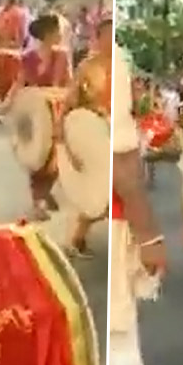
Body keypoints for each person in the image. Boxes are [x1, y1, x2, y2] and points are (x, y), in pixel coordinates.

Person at [107, 42, 166, 365]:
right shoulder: (115, 64)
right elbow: (124, 169)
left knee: (108, 339)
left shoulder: (89, 68)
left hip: (94, 215)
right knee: (123, 341)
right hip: (118, 224)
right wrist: (151, 238)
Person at [1, 13, 71, 220]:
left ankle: (44, 193)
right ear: (48, 33)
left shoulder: (62, 56)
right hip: (34, 113)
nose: (60, 34)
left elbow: (66, 84)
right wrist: (7, 102)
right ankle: (37, 202)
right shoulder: (28, 57)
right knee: (36, 158)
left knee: (55, 158)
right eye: (57, 30)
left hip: (55, 111)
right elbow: (19, 83)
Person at [61, 17, 113, 257]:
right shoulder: (86, 67)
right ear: (98, 38)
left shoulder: (122, 68)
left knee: (118, 195)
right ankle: (77, 239)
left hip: (116, 132)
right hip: (91, 132)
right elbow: (70, 101)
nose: (110, 41)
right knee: (102, 195)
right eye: (106, 36)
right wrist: (63, 138)